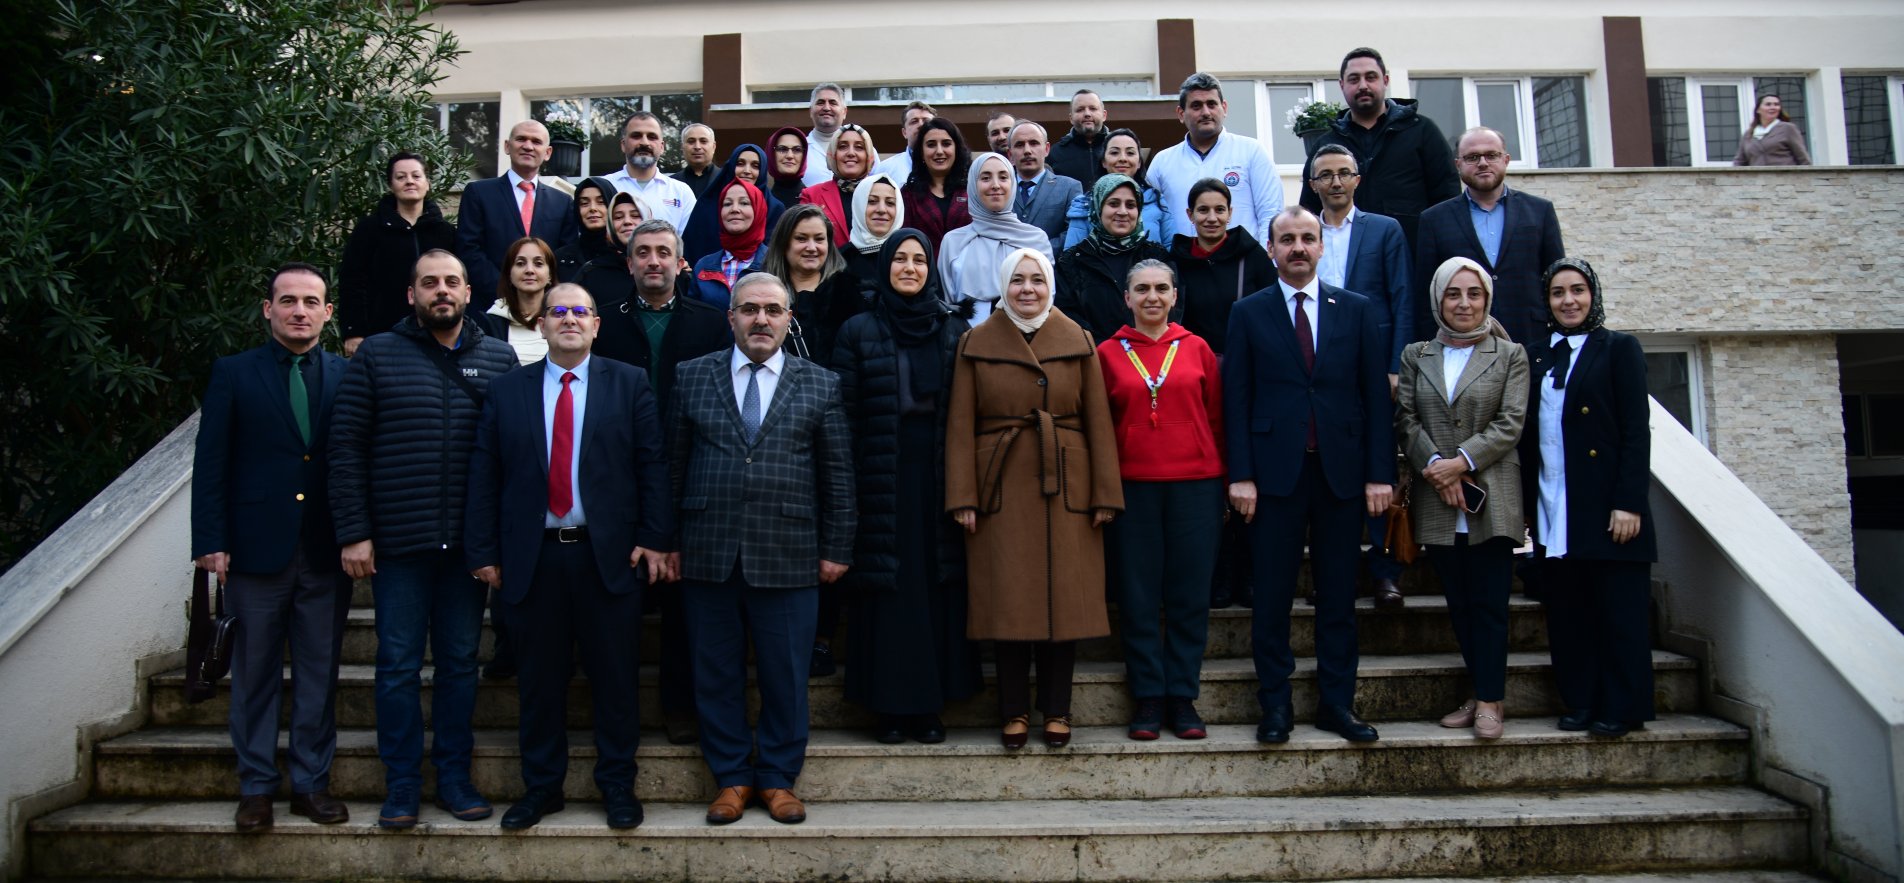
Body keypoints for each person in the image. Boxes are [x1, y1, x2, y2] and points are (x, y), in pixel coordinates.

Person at [464, 283, 674, 831]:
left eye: (581, 311)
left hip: (608, 560)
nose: (570, 320)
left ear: (597, 325)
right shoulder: (509, 391)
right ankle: (541, 789)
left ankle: (617, 787)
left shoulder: (628, 384)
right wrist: (484, 549)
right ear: (542, 325)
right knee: (538, 682)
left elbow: (653, 466)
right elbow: (486, 474)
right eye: (558, 312)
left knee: (615, 681)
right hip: (533, 561)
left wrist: (654, 538)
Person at [327, 249, 518, 827]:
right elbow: (346, 449)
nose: (441, 291)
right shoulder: (378, 356)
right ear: (411, 294)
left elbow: (512, 458)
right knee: (397, 666)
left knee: (460, 665)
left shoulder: (500, 359)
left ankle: (455, 780)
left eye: (452, 282)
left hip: (466, 549)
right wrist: (355, 533)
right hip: (399, 545)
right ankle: (402, 785)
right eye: (429, 282)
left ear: (467, 293)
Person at [667, 272, 855, 825]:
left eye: (773, 311)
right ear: (731, 317)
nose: (761, 320)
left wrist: (837, 547)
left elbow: (838, 476)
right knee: (716, 672)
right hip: (708, 548)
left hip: (789, 549)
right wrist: (666, 541)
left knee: (785, 675)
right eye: (749, 310)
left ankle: (777, 778)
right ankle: (730, 777)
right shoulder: (691, 377)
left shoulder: (820, 383)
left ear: (789, 318)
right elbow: (672, 466)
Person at [1224, 208, 1395, 745]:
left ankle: (1337, 705)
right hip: (1274, 478)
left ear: (1322, 247)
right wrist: (1242, 475)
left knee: (1339, 597)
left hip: (1342, 477)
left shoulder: (1358, 311)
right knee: (1272, 597)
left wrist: (1379, 475)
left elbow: (1375, 399)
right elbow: (1237, 398)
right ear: (1271, 249)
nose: (1297, 248)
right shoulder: (1248, 313)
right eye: (1286, 240)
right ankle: (1275, 706)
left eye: (1307, 239)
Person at [192, 263, 351, 832]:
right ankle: (256, 788)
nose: (300, 310)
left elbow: (349, 461)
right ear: (268, 309)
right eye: (288, 301)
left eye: (312, 301)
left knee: (318, 673)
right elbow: (211, 463)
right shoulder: (234, 374)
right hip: (254, 552)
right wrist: (209, 540)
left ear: (328, 313)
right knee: (254, 674)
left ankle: (310, 784)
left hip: (325, 550)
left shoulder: (345, 374)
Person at [946, 248, 1123, 750]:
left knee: (1064, 602)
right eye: (1018, 280)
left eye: (1037, 280)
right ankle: (1013, 711)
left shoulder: (1080, 340)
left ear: (1050, 284)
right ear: (1003, 286)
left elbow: (1098, 423)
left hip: (1068, 485)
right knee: (1007, 602)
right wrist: (964, 495)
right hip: (999, 486)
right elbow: (960, 424)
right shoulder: (974, 343)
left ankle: (1057, 710)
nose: (1028, 289)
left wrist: (1104, 493)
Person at [832, 228, 980, 744]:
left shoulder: (953, 329)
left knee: (933, 588)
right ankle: (889, 709)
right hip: (879, 473)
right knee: (887, 592)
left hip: (937, 475)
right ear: (886, 266)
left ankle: (929, 707)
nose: (911, 268)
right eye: (901, 259)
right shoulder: (858, 330)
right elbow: (844, 415)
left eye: (920, 260)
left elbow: (968, 413)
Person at [591, 220, 728, 744]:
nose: (653, 261)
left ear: (680, 261)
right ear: (628, 263)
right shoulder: (603, 324)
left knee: (682, 603)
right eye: (643, 252)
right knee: (617, 602)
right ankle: (615, 713)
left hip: (690, 472)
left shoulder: (710, 323)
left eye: (663, 253)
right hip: (616, 478)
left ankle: (680, 708)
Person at [1521, 257, 1657, 738]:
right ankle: (1579, 701)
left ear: (1592, 295)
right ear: (1548, 302)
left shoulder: (1618, 348)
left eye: (1577, 290)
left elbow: (1636, 432)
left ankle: (1622, 706)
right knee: (1569, 612)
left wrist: (1629, 502)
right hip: (1553, 502)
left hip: (1606, 505)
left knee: (1618, 614)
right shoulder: (1535, 355)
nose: (1568, 301)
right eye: (1558, 293)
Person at [1396, 256, 1528, 740]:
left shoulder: (1510, 355)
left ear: (1487, 298)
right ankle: (1480, 689)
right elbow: (1407, 419)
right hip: (1437, 497)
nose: (1464, 303)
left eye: (1473, 293)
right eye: (1454, 293)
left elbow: (1510, 423)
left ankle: (1492, 700)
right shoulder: (1417, 354)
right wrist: (1436, 466)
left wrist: (1461, 463)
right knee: (1458, 604)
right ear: (1438, 299)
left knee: (1489, 603)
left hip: (1491, 495)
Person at [1096, 259, 1224, 741]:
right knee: (1139, 596)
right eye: (1142, 289)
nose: (1152, 296)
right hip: (1133, 487)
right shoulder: (1107, 353)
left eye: (1161, 289)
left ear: (1175, 296)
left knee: (1190, 595)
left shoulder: (1197, 349)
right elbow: (1101, 427)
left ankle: (1182, 697)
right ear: (1126, 298)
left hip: (1195, 485)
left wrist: (1224, 479)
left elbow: (1215, 419)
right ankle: (1149, 695)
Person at [1309, 142, 1415, 607]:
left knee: (1379, 464)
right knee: (1326, 470)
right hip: (1318, 369)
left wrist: (1395, 366)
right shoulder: (1303, 232)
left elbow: (1403, 298)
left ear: (1357, 179)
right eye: (1325, 174)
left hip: (1372, 364)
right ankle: (1333, 571)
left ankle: (1386, 570)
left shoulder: (1384, 230)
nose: (1335, 181)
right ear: (1313, 184)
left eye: (1343, 173)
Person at [1415, 126, 1565, 350]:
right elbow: (1426, 292)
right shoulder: (1434, 220)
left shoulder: (1539, 211)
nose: (1483, 163)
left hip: (1532, 338)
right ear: (1458, 165)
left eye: (1491, 155)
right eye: (1472, 157)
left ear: (1505, 159)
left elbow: (1556, 279)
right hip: (1462, 343)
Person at [1299, 47, 1461, 251]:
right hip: (1346, 261)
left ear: (1385, 81)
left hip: (1412, 257)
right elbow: (1309, 209)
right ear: (1342, 85)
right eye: (1354, 79)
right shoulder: (1326, 146)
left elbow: (1447, 198)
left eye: (1371, 77)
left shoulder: (1422, 131)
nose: (1363, 85)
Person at [339, 153, 455, 356]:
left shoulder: (446, 232)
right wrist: (354, 331)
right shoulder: (369, 229)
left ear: (427, 183)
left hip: (437, 334)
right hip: (382, 333)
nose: (409, 181)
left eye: (416, 176)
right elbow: (352, 282)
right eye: (401, 177)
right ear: (391, 185)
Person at [455, 120, 578, 312]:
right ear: (507, 146)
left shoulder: (563, 202)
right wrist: (505, 291)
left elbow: (564, 256)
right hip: (491, 306)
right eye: (521, 139)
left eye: (536, 141)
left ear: (548, 153)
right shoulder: (479, 193)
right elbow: (469, 249)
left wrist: (542, 296)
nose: (528, 146)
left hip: (542, 309)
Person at [1149, 73, 1284, 246]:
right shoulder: (1162, 163)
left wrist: (1266, 264)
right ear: (1181, 113)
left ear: (1224, 108)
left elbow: (1270, 213)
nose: (1206, 112)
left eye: (1212, 104)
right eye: (1196, 106)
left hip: (1242, 267)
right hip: (1182, 268)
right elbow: (1151, 218)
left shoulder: (1252, 152)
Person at [1054, 173, 1175, 344]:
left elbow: (1173, 309)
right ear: (1097, 208)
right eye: (1113, 204)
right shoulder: (1072, 261)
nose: (1123, 212)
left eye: (1131, 205)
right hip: (1095, 361)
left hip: (1151, 358)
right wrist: (1107, 351)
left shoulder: (1157, 257)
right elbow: (1066, 316)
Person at [938, 152, 1052, 323]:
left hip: (1027, 343)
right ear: (972, 186)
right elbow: (947, 304)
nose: (996, 185)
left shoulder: (1036, 239)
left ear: (1013, 184)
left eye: (1003, 177)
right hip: (966, 343)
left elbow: (1047, 301)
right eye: (985, 178)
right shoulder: (953, 242)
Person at [1170, 178, 1275, 357]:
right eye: (1203, 210)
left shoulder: (1253, 257)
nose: (1212, 218)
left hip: (1243, 361)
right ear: (1190, 215)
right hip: (1191, 363)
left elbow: (1272, 312)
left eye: (1219, 210)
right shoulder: (1175, 262)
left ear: (1230, 213)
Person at [752, 204, 866, 368]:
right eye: (801, 238)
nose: (812, 248)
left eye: (819, 239)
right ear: (784, 243)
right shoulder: (762, 295)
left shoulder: (850, 294)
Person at [1061, 128, 1166, 250]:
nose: (1122, 158)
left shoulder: (1156, 200)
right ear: (1103, 162)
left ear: (1139, 163)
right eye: (1114, 153)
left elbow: (1170, 248)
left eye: (1130, 153)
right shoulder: (1084, 203)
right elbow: (1072, 254)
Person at [682, 144, 785, 265]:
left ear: (762, 171)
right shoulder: (708, 203)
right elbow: (692, 248)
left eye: (755, 166)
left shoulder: (774, 208)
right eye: (740, 164)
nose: (747, 171)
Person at [604, 111, 697, 231]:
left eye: (652, 137)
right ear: (623, 144)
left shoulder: (681, 192)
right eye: (636, 136)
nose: (644, 142)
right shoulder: (605, 186)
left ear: (662, 146)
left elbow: (691, 242)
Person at [688, 176, 770, 309]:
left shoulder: (776, 262)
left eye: (744, 203)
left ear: (758, 210)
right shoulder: (703, 266)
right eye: (727, 204)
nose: (734, 209)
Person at [1006, 121, 1083, 255]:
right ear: (1010, 155)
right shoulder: (1000, 189)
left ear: (1047, 149)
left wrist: (1034, 252)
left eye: (1034, 143)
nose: (1027, 151)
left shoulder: (1070, 188)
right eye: (1019, 145)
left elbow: (1073, 233)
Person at [476, 236, 555, 365]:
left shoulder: (564, 318)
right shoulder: (490, 323)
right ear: (509, 274)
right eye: (520, 263)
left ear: (550, 274)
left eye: (538, 264)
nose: (529, 270)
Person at [899, 117, 973, 252]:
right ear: (921, 152)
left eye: (946, 144)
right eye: (931, 144)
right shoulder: (908, 194)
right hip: (923, 270)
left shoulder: (973, 190)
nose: (939, 151)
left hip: (968, 271)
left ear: (957, 149)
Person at [799, 123, 878, 240]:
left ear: (869, 156)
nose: (851, 153)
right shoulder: (811, 196)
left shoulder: (884, 193)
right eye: (842, 146)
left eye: (859, 147)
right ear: (833, 155)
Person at [552, 176, 621, 283]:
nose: (592, 208)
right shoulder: (562, 257)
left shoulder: (625, 256)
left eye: (601, 201)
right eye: (584, 203)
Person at [839, 172, 904, 281]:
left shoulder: (910, 255)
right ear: (859, 206)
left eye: (890, 203)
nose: (881, 210)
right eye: (872, 201)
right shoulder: (840, 260)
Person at [1048, 89, 1111, 189]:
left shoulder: (1118, 148)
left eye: (1093, 108)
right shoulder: (1055, 153)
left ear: (1104, 115)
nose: (1087, 114)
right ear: (1071, 118)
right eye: (1080, 109)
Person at [1735, 94, 1812, 166]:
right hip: (1758, 179)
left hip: (1785, 179)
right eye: (1768, 104)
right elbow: (1739, 162)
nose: (1773, 107)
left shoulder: (1788, 128)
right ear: (1758, 110)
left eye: (1776, 104)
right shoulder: (1748, 134)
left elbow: (1803, 159)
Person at [870, 100, 935, 186]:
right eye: (914, 121)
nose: (921, 125)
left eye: (926, 121)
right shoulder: (885, 170)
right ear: (904, 133)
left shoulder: (949, 166)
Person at [802, 83, 849, 187]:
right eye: (820, 102)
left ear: (844, 112)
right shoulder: (799, 150)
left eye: (833, 103)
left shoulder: (863, 149)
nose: (826, 108)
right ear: (810, 111)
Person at [767, 126, 811, 209]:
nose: (790, 156)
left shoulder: (815, 200)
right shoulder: (761, 202)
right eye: (782, 149)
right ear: (771, 154)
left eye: (797, 150)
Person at [673, 123, 720, 199]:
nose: (697, 147)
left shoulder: (727, 179)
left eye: (703, 141)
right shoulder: (671, 183)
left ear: (714, 147)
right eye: (691, 142)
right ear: (682, 147)